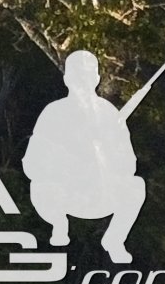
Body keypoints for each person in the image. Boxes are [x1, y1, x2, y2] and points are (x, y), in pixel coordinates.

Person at [26, 49, 149, 265]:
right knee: (40, 188)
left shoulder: (109, 114)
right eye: (77, 75)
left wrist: (106, 151)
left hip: (99, 194)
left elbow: (129, 164)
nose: (82, 80)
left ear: (97, 79)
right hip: (66, 195)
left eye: (87, 74)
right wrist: (67, 158)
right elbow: (32, 164)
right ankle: (58, 224)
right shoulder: (53, 113)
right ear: (67, 79)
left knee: (136, 186)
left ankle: (114, 240)